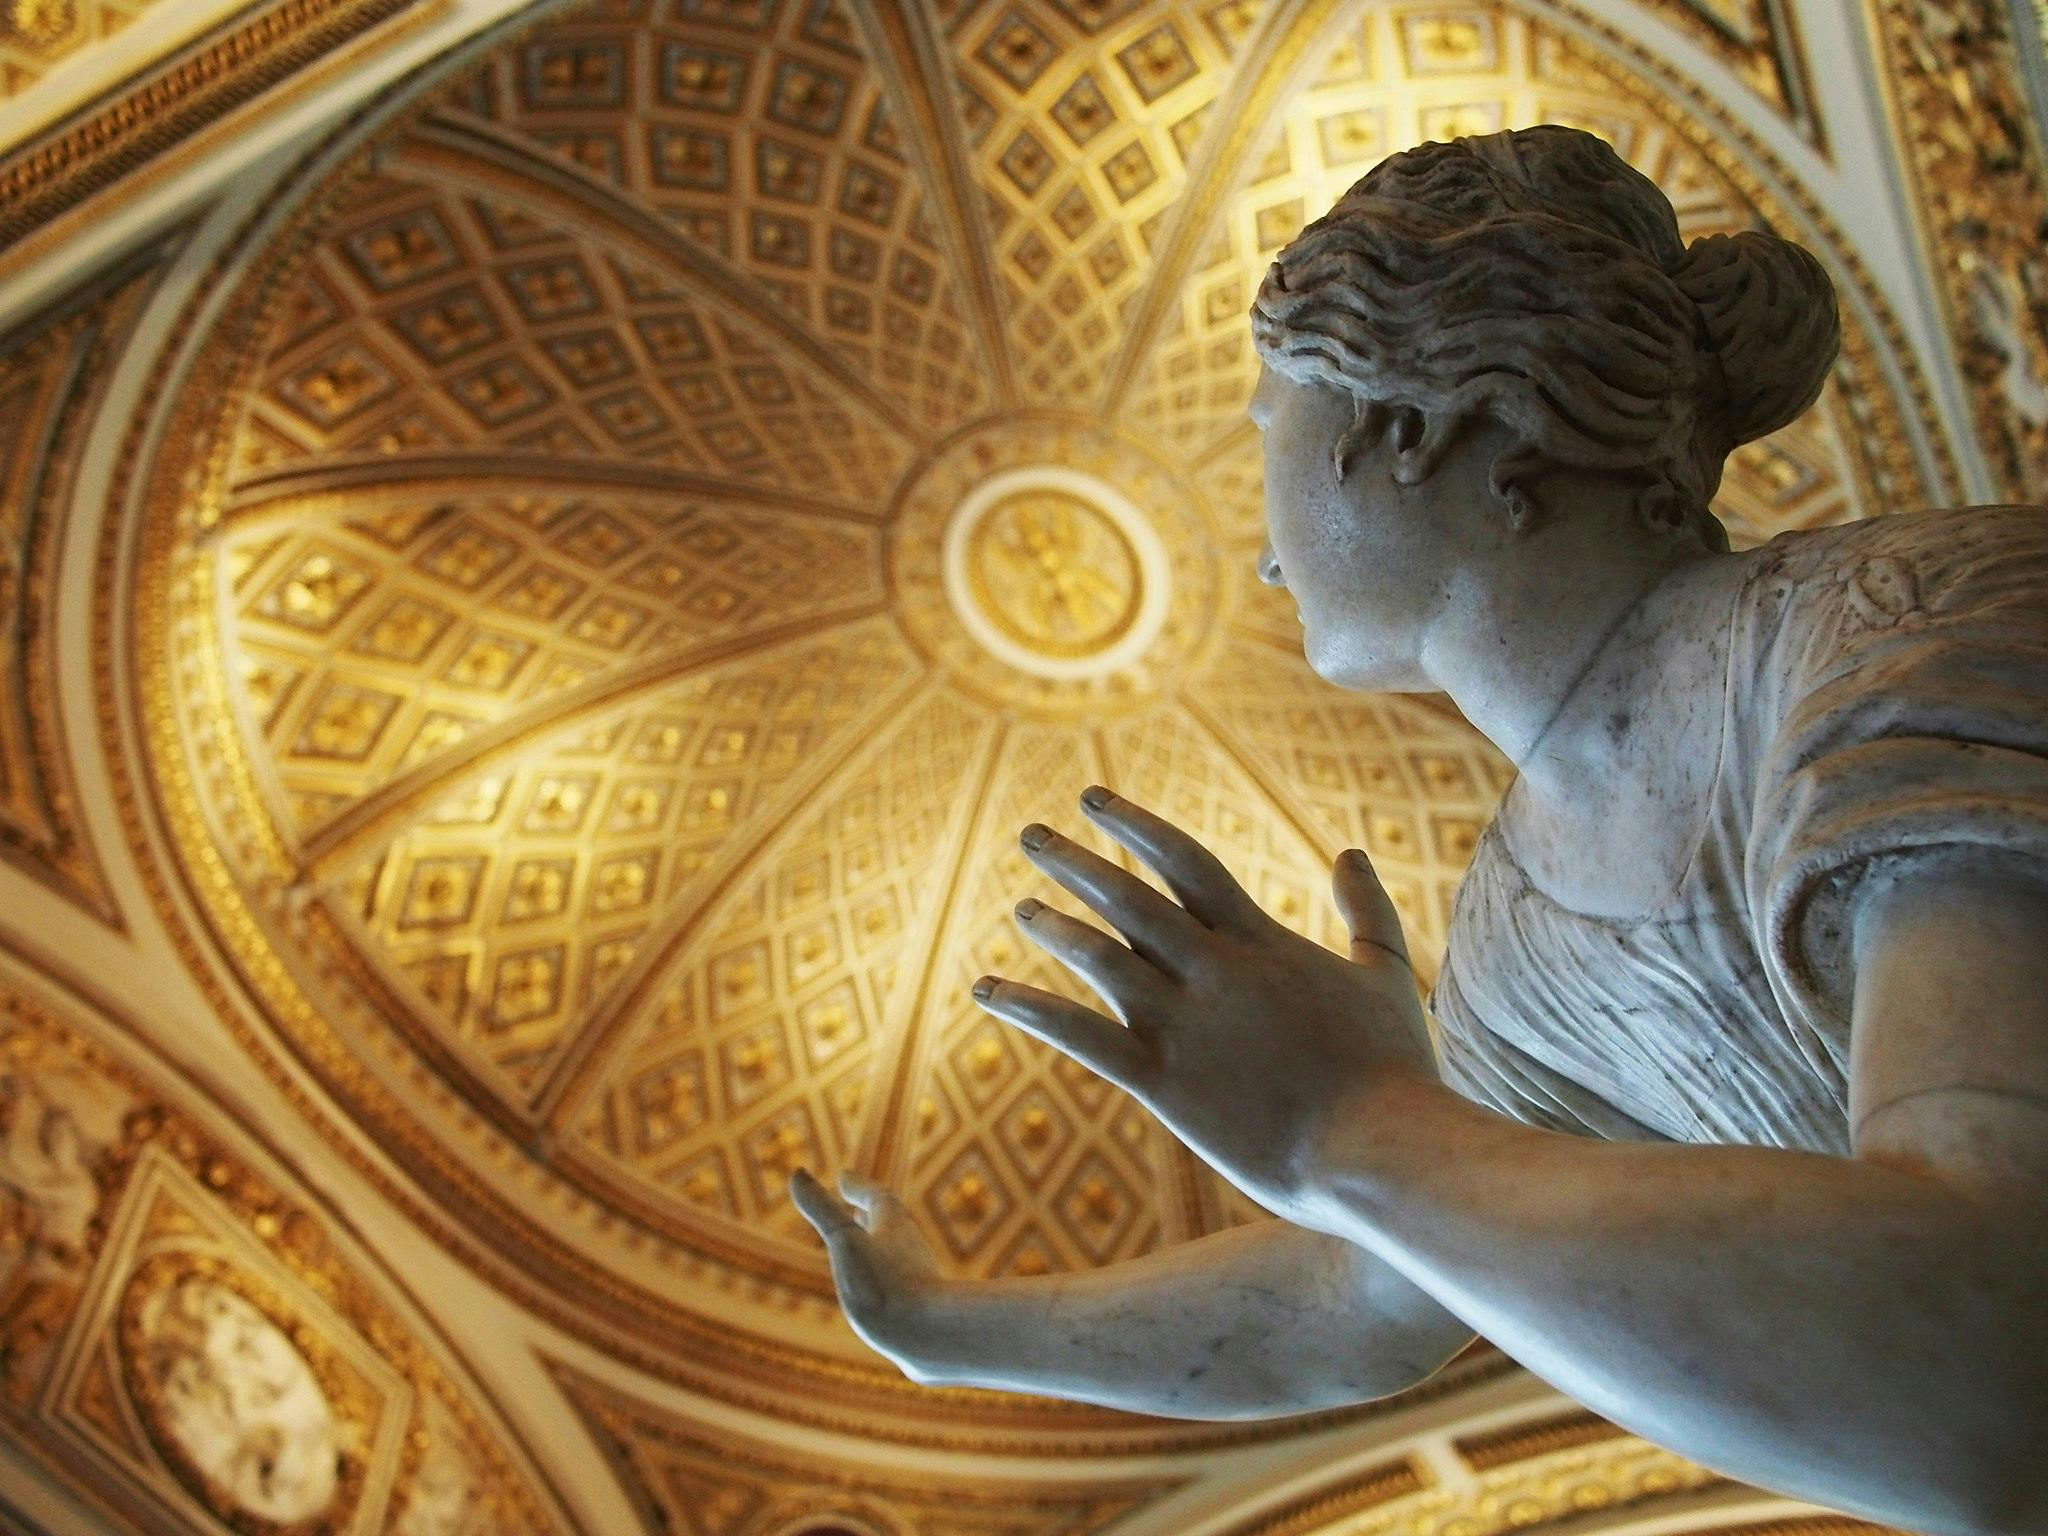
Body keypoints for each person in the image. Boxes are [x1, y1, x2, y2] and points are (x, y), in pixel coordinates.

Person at [791, 127, 2048, 1534]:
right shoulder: (1517, 944)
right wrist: (944, 1327)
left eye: (1268, 430)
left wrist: (1355, 1125)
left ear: (1421, 426)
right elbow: (1358, 1299)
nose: (1262, 554)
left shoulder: (1907, 634)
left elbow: (2003, 1364)